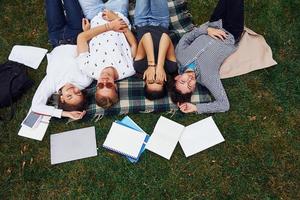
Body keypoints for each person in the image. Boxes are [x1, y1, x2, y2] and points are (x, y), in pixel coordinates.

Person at [171, 0, 244, 113]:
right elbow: (224, 105)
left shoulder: (180, 56)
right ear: (194, 88)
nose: (189, 80)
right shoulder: (208, 78)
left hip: (214, 23)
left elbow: (186, 38)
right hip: (231, 32)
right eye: (190, 86)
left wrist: (206, 30)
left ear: (177, 78)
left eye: (183, 82)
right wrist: (196, 108)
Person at [31, 0, 93, 120]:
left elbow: (36, 106)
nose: (72, 90)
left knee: (51, 3)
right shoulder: (85, 81)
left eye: (69, 96)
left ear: (62, 98)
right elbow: (88, 55)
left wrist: (65, 114)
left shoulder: (52, 84)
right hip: (76, 34)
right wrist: (87, 34)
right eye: (78, 92)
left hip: (56, 37)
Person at [76, 0, 137, 108]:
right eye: (108, 85)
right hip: (118, 13)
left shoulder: (87, 69)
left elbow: (81, 38)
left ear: (96, 88)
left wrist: (108, 27)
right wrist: (115, 19)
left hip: (93, 15)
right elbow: (133, 44)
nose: (104, 81)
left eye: (100, 85)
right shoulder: (129, 69)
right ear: (115, 87)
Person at [133, 0, 178, 100]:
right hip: (161, 22)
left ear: (145, 81)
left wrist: (151, 65)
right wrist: (160, 66)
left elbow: (146, 37)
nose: (154, 77)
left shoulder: (139, 67)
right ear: (164, 81)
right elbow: (165, 37)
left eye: (150, 81)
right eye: (158, 81)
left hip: (141, 21)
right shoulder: (171, 67)